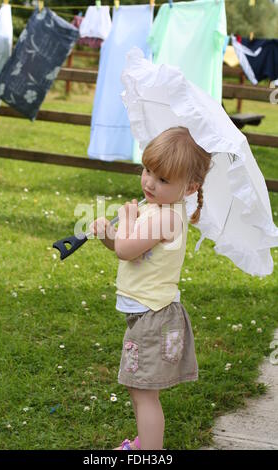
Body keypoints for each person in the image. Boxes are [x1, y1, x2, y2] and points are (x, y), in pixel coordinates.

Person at [89, 127, 212, 450]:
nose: (149, 183)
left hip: (154, 316)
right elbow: (127, 248)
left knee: (143, 392)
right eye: (147, 171)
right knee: (139, 388)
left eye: (162, 180)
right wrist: (106, 234)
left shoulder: (167, 218)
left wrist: (126, 218)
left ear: (190, 187)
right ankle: (147, 443)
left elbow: (126, 250)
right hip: (146, 313)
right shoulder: (153, 208)